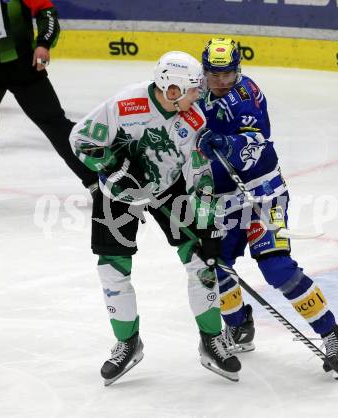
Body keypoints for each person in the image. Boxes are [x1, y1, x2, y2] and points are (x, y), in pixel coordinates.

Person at [69, 51, 241, 385]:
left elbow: (201, 176)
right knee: (111, 269)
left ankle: (211, 340)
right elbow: (80, 140)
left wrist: (207, 226)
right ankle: (127, 343)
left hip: (167, 187)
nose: (199, 95)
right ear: (172, 89)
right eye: (193, 89)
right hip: (117, 194)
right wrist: (111, 163)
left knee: (201, 264)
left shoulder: (194, 120)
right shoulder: (125, 105)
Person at [197, 38, 338, 375]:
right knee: (216, 267)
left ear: (238, 70)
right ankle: (239, 325)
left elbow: (255, 143)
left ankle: (334, 335)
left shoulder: (247, 95)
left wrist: (229, 144)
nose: (222, 81)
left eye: (228, 74)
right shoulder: (194, 93)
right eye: (215, 74)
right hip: (220, 200)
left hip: (262, 194)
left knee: (276, 267)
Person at [0, 0, 97, 189]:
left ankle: (97, 181)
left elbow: (46, 11)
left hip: (23, 66)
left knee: (56, 125)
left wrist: (44, 43)